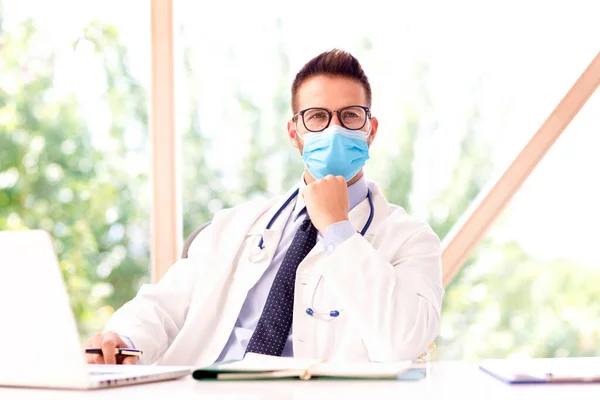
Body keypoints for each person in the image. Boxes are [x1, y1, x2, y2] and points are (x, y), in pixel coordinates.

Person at [85, 49, 444, 366]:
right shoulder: (233, 226)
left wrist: (339, 230)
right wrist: (123, 340)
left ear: (371, 130)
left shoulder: (411, 240)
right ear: (294, 134)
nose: (334, 129)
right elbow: (163, 306)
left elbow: (402, 343)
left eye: (350, 115)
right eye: (317, 116)